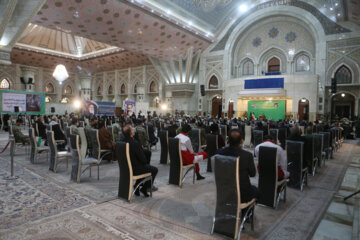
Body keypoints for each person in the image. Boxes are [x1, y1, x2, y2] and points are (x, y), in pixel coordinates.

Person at [216, 129, 258, 202]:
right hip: (242, 194)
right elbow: (252, 174)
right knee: (256, 191)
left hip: (224, 192)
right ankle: (246, 211)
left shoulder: (219, 152)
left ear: (228, 139)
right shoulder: (247, 155)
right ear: (242, 141)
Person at [122, 124, 158, 196]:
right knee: (154, 170)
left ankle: (137, 186)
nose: (134, 131)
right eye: (132, 130)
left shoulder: (121, 142)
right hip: (135, 169)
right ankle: (144, 188)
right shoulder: (134, 143)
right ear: (131, 133)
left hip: (126, 168)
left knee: (146, 165)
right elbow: (143, 160)